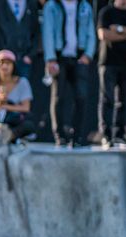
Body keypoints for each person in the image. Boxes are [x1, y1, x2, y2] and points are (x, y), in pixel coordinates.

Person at [42, 0, 96, 146]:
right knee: (58, 97)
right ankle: (60, 135)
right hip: (59, 58)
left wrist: (88, 54)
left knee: (81, 97)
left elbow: (91, 31)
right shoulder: (52, 6)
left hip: (79, 58)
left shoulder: (84, 6)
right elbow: (47, 32)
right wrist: (51, 58)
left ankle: (77, 135)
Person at [96, 0, 126, 148]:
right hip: (108, 62)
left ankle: (119, 135)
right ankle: (105, 135)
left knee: (123, 100)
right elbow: (104, 34)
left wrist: (119, 29)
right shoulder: (107, 12)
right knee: (107, 98)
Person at [0, 0, 41, 78]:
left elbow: (36, 32)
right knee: (0, 89)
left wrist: (30, 55)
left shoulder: (31, 3)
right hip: (2, 61)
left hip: (23, 61)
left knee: (22, 88)